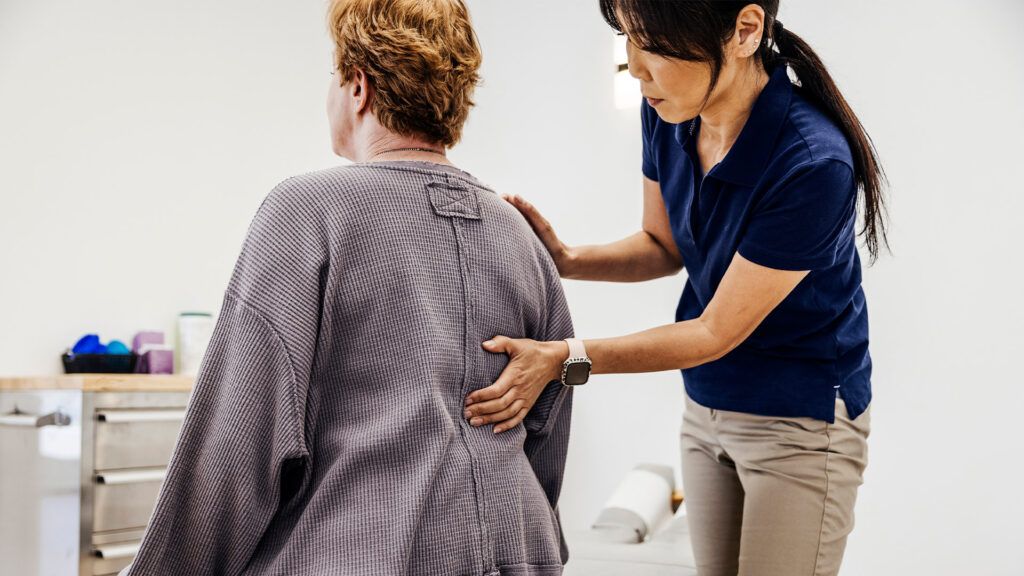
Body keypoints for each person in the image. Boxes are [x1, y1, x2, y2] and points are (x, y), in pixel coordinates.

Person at [123, 1, 574, 574]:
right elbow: (547, 434)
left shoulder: (306, 212)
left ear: (358, 86)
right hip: (519, 554)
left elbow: (236, 443)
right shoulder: (520, 235)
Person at [463, 2, 887, 575]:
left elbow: (716, 331)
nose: (635, 67)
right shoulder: (670, 113)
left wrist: (566, 360)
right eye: (627, 39)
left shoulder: (812, 163)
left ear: (744, 30)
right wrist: (564, 258)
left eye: (653, 43)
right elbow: (662, 245)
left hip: (799, 422)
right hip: (705, 405)